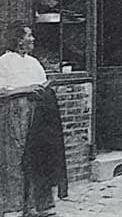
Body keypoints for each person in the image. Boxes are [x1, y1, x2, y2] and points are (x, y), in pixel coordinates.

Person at [0, 21, 66, 217]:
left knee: (38, 157)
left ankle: (37, 206)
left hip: (38, 113)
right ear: (18, 39)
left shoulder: (33, 62)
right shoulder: (4, 61)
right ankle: (13, 207)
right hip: (15, 113)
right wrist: (25, 89)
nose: (33, 39)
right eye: (29, 36)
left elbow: (41, 82)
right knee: (15, 159)